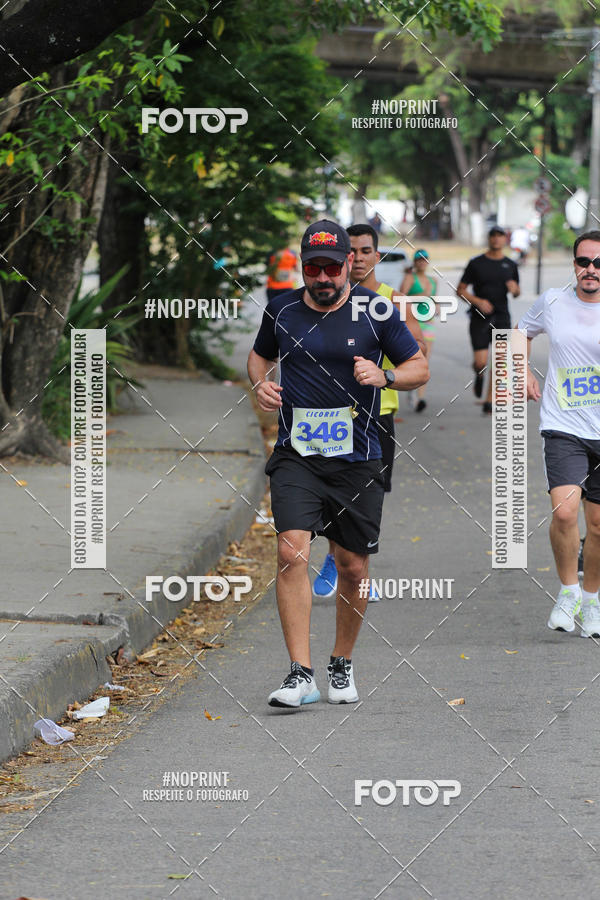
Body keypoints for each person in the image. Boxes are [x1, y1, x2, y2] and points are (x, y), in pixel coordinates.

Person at [248, 219, 429, 708]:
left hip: (357, 459)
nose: (323, 277)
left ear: (350, 262)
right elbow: (259, 357)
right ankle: (299, 673)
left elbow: (419, 367)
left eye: (332, 267)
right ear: (303, 267)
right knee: (291, 553)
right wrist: (260, 384)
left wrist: (385, 376)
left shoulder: (376, 310)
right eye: (314, 268)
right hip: (297, 456)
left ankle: (341, 661)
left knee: (352, 566)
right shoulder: (282, 309)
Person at [312, 223, 426, 602]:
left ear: (377, 256)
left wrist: (386, 354)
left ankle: (357, 570)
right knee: (329, 492)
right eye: (353, 252)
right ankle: (335, 558)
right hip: (329, 414)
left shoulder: (392, 301)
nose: (359, 259)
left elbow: (418, 352)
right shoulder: (324, 298)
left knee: (366, 499)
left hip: (377, 416)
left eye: (366, 252)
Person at [519, 230, 600, 638]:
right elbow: (520, 332)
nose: (591, 269)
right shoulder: (553, 301)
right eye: (584, 262)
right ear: (574, 265)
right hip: (563, 424)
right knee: (565, 512)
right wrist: (522, 371)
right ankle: (569, 591)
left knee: (598, 525)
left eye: (598, 263)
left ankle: (593, 599)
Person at [456, 226, 520, 414]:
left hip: (502, 317)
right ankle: (479, 374)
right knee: (481, 362)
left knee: (500, 361)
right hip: (479, 318)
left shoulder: (510, 264)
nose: (496, 239)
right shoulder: (476, 263)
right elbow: (460, 290)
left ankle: (489, 400)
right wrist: (478, 301)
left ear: (505, 240)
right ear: (489, 239)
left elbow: (517, 292)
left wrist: (515, 289)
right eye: (493, 236)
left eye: (500, 236)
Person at [400, 249, 437, 412]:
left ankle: (421, 398)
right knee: (413, 359)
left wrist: (436, 306)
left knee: (425, 361)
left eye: (424, 259)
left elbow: (434, 300)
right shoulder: (410, 278)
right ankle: (411, 390)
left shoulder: (434, 280)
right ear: (414, 262)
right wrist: (420, 295)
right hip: (412, 324)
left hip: (428, 324)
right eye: (419, 259)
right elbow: (399, 299)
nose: (422, 262)